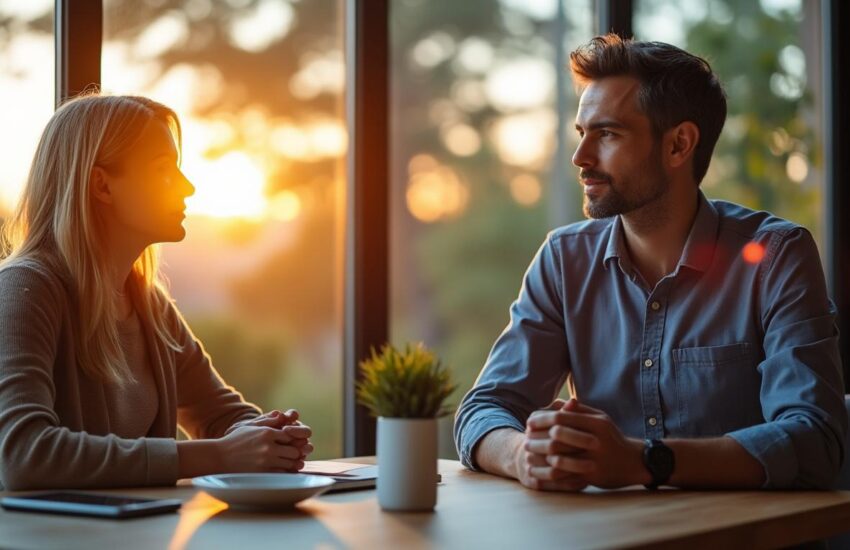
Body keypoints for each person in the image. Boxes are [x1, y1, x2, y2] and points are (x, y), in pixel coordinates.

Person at [454, 34, 846, 491]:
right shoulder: (564, 261)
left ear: (679, 145)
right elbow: (484, 409)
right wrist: (524, 454)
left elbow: (817, 440)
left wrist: (646, 462)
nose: (581, 158)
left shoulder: (777, 257)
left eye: (608, 134)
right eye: (582, 134)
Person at [0, 93, 313, 491]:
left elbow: (219, 414)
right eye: (164, 170)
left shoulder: (149, 305)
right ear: (102, 185)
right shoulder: (23, 292)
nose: (186, 187)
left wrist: (270, 434)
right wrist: (220, 454)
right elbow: (23, 455)